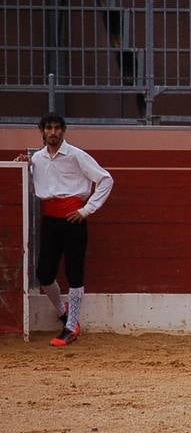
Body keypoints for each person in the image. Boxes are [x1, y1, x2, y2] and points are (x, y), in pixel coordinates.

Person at [12, 114, 114, 347]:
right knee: (45, 274)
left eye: (57, 128)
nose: (53, 132)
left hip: (74, 218)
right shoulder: (37, 158)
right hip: (50, 219)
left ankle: (71, 326)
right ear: (42, 131)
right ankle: (63, 311)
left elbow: (106, 179)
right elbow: (33, 178)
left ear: (64, 131)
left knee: (74, 271)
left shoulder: (76, 155)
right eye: (49, 128)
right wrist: (23, 164)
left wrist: (87, 210)